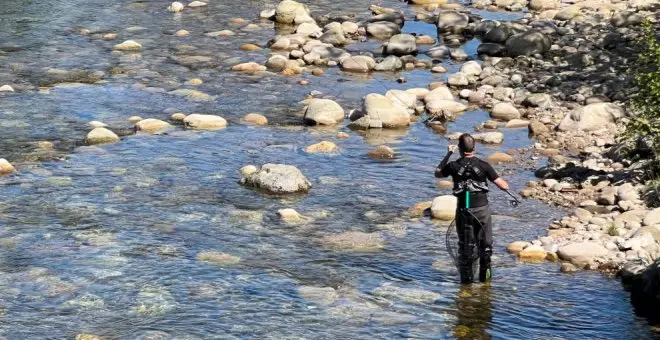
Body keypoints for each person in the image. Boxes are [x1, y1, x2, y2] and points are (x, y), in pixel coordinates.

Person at [435, 133, 509, 284]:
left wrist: (448, 153)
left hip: (464, 209)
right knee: (486, 247)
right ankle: (485, 284)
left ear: (460, 149)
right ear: (474, 148)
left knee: (465, 248)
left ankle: (466, 285)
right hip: (482, 210)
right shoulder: (484, 165)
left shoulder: (453, 166)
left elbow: (438, 173)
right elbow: (503, 185)